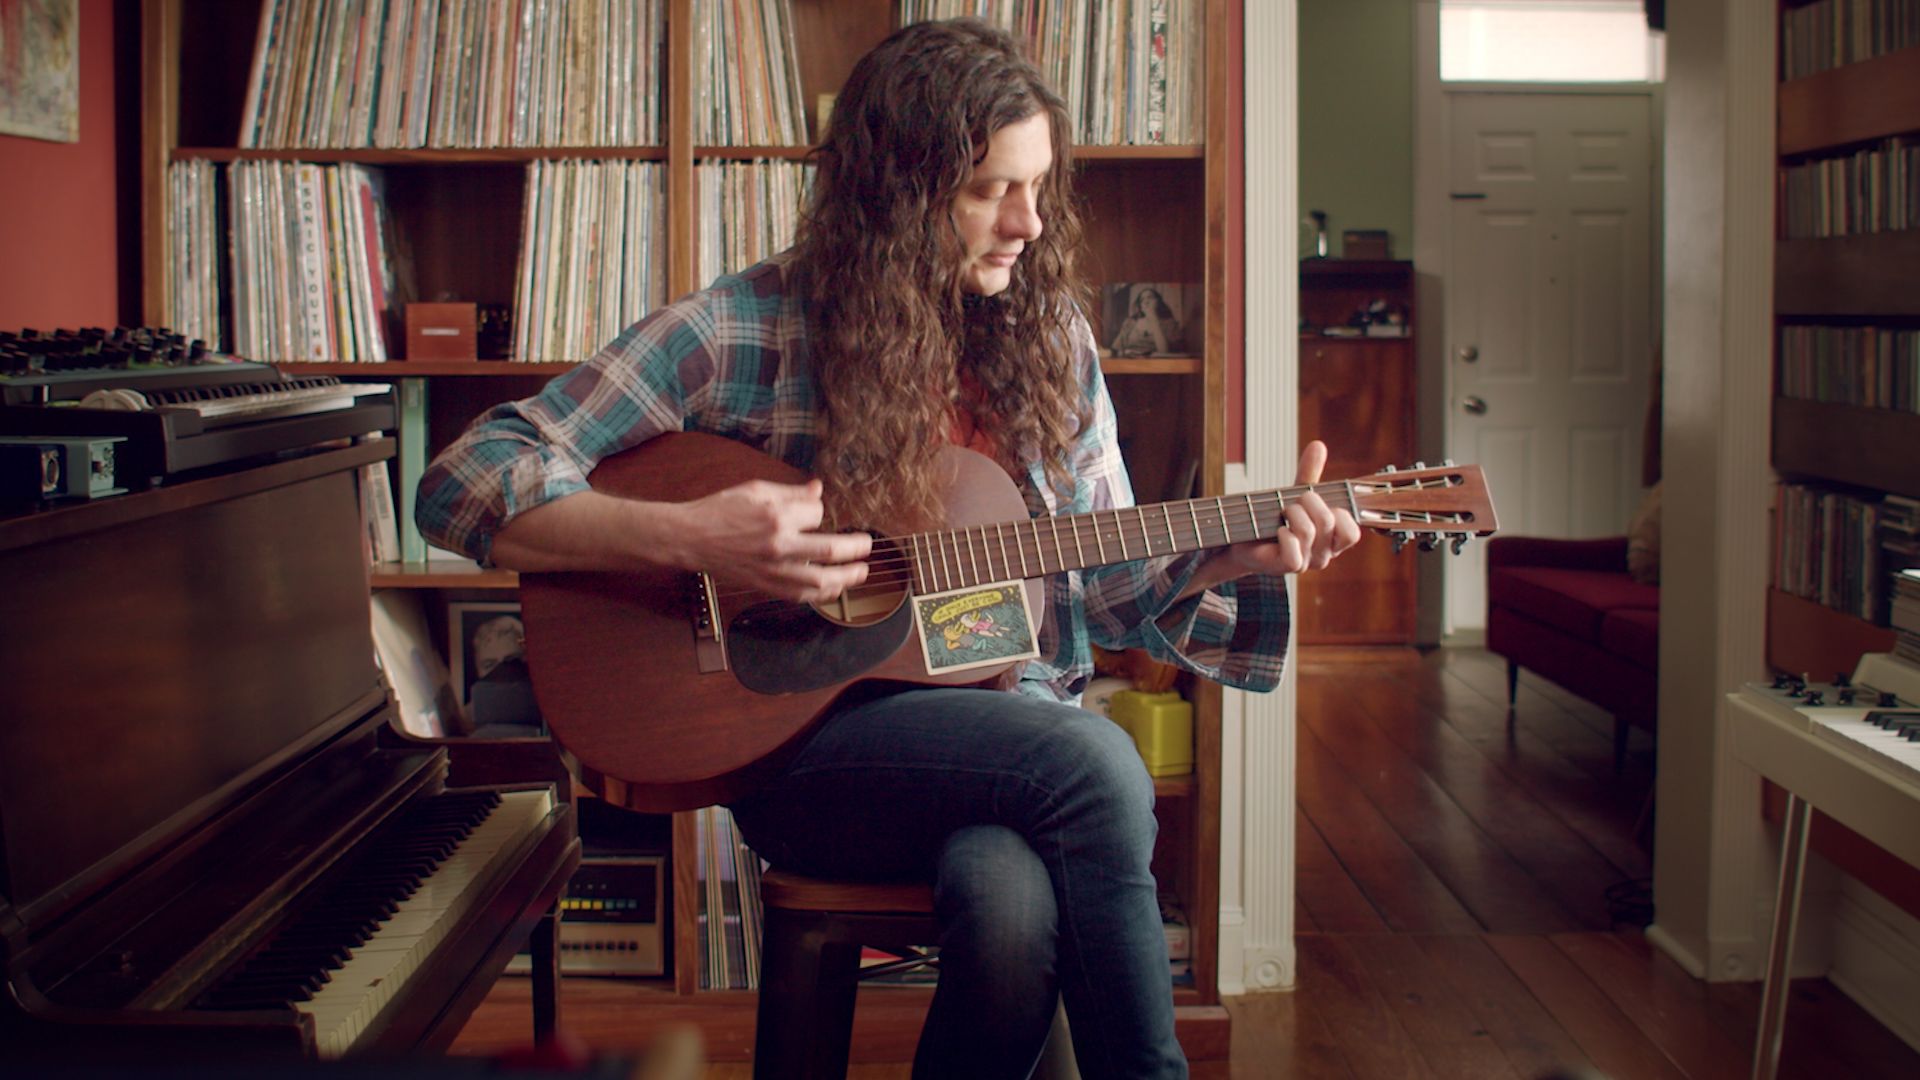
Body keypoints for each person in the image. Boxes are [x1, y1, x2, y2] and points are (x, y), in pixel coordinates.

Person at [417, 18, 1359, 1079]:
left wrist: (1237, 556)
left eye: (1039, 188)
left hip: (1013, 740)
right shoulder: (745, 328)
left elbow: (1102, 596)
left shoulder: (1052, 341)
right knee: (1099, 760)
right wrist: (696, 539)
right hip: (804, 748)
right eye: (988, 190)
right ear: (896, 195)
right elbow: (467, 478)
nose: (1027, 224)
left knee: (1009, 911)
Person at [1110, 285, 1182, 356]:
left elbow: (1164, 352)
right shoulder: (1130, 322)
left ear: (1158, 301)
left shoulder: (1169, 323)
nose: (1146, 301)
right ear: (1140, 306)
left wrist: (1153, 318)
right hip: (1130, 362)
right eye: (1142, 300)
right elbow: (1116, 348)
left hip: (1156, 364)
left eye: (1150, 297)